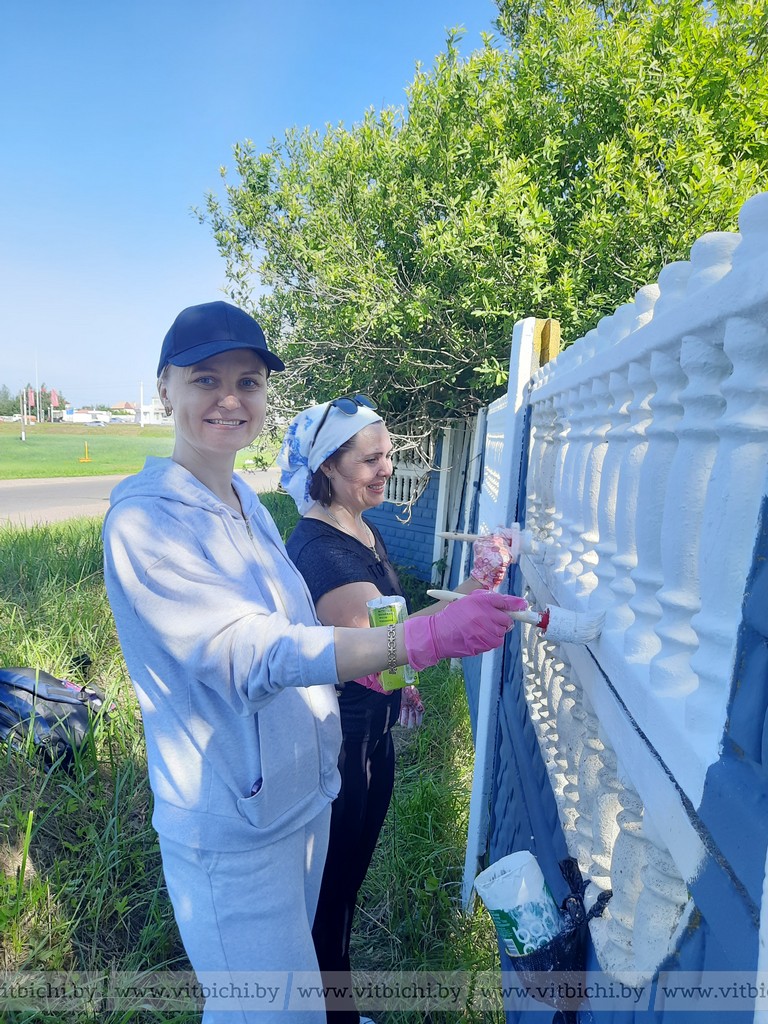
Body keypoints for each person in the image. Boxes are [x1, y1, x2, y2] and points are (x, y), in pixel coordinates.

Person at [101, 300, 527, 1024]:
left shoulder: (245, 501)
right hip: (234, 827)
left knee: (303, 985)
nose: (231, 398)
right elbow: (249, 652)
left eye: (250, 381)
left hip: (300, 801)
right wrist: (419, 640)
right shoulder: (145, 519)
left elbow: (296, 623)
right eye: (206, 379)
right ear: (164, 388)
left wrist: (388, 664)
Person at [278, 399, 518, 1024]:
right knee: (329, 901)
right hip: (338, 750)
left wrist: (476, 582)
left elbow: (395, 636)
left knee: (345, 893)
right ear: (327, 467)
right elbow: (381, 649)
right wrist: (422, 648)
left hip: (371, 741)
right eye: (371, 458)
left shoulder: (361, 528)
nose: (388, 467)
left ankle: (335, 1011)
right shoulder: (323, 553)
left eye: (389, 454)